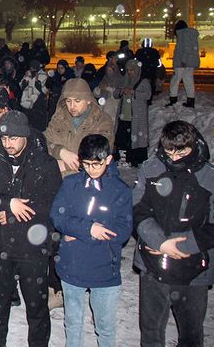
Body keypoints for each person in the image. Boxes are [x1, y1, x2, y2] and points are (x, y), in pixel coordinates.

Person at [132, 120, 214, 347]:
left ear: (194, 146)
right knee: (150, 333)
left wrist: (181, 246)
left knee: (191, 335)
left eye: (181, 153)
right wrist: (159, 242)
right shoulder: (150, 169)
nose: (174, 158)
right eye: (169, 152)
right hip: (153, 265)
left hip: (193, 270)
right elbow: (138, 208)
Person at [0, 110, 62, 347]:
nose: (7, 144)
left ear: (25, 136)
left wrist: (12, 214)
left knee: (36, 306)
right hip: (0, 245)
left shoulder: (44, 164)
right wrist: (6, 203)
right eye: (3, 138)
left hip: (32, 247)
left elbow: (51, 204)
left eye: (13, 138)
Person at [50, 134, 132, 347]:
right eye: (86, 164)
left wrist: (79, 234)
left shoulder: (120, 191)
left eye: (96, 164)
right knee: (73, 323)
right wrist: (88, 229)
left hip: (105, 268)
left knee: (105, 327)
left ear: (108, 160)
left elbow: (124, 229)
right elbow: (58, 216)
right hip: (73, 264)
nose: (91, 169)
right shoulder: (70, 184)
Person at [45, 78, 114, 178]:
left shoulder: (102, 121)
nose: (72, 106)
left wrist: (65, 165)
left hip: (86, 180)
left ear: (88, 100)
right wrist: (60, 151)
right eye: (68, 101)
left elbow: (100, 155)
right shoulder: (58, 118)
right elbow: (42, 141)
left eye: (77, 101)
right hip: (56, 179)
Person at [113, 59, 151, 168]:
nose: (129, 72)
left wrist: (134, 93)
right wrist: (122, 91)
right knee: (122, 139)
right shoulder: (125, 80)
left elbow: (148, 95)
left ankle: (135, 159)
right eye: (128, 70)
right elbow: (116, 93)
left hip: (137, 117)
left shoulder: (143, 82)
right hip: (124, 116)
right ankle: (122, 158)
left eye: (131, 70)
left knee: (136, 139)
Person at [166, 20, 199, 108]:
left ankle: (173, 100)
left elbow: (187, 48)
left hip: (181, 63)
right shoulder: (191, 34)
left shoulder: (183, 35)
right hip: (190, 63)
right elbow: (191, 48)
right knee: (188, 81)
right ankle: (190, 101)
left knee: (175, 81)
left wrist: (183, 60)